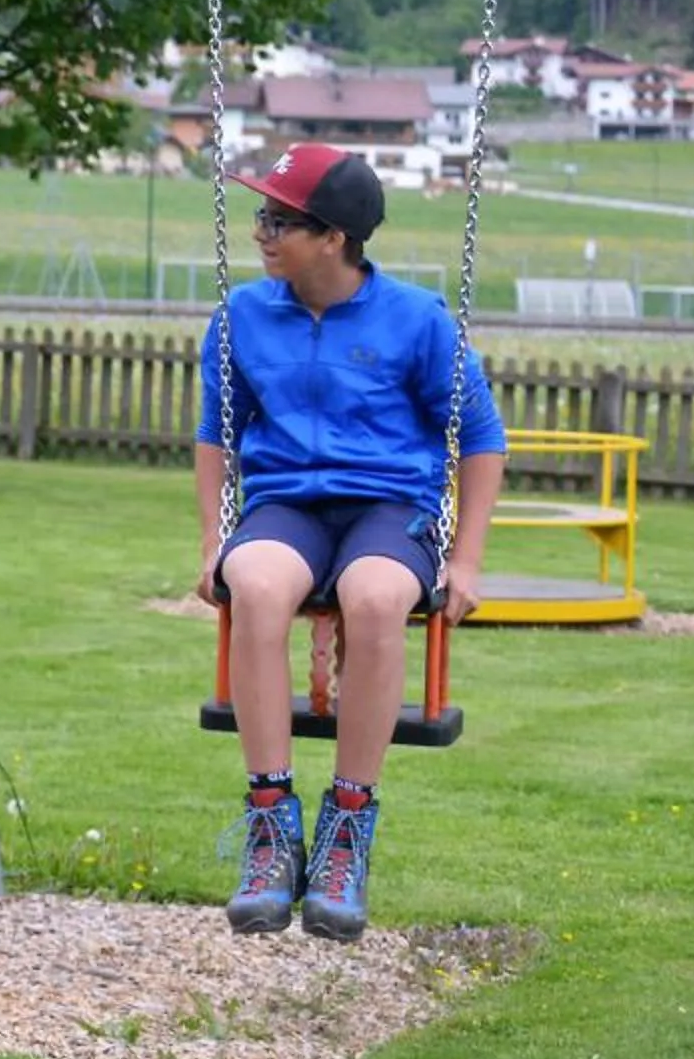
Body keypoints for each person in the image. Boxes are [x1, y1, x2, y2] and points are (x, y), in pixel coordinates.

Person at [194, 143, 504, 942]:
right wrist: (212, 540)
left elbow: (480, 437)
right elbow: (213, 436)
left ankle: (347, 831)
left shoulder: (416, 320)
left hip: (387, 507)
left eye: (278, 220)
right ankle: (270, 827)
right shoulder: (242, 318)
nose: (260, 233)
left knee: (374, 598)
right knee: (254, 583)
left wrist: (464, 559)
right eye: (260, 216)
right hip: (286, 506)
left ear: (333, 237)